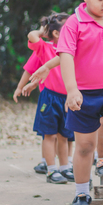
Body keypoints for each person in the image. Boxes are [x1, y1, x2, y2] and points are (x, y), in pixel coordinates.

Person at [57, 0, 103, 205]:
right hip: (83, 95)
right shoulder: (74, 23)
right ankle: (82, 193)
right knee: (84, 146)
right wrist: (72, 90)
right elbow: (65, 55)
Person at [28, 12, 75, 183]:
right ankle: (51, 170)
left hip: (66, 98)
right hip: (50, 97)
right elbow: (31, 36)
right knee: (50, 135)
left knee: (64, 135)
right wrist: (43, 30)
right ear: (56, 33)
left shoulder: (72, 50)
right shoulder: (45, 47)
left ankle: (64, 168)